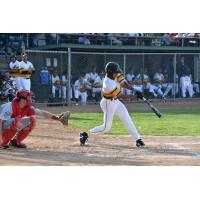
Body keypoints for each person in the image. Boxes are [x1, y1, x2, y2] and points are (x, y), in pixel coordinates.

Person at [79, 62, 145, 148]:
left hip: (116, 102)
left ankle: (138, 140)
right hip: (108, 103)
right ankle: (85, 134)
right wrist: (135, 96)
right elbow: (122, 96)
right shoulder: (108, 85)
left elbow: (124, 83)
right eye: (116, 72)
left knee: (126, 117)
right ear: (111, 73)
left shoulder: (114, 75)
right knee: (106, 127)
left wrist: (134, 89)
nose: (117, 73)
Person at [0, 90, 70, 148]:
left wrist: (58, 118)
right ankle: (3, 142)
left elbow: (42, 113)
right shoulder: (9, 107)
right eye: (28, 97)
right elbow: (0, 122)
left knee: (31, 120)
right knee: (17, 120)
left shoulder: (26, 107)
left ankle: (16, 141)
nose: (30, 99)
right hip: (2, 126)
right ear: (22, 99)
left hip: (6, 125)